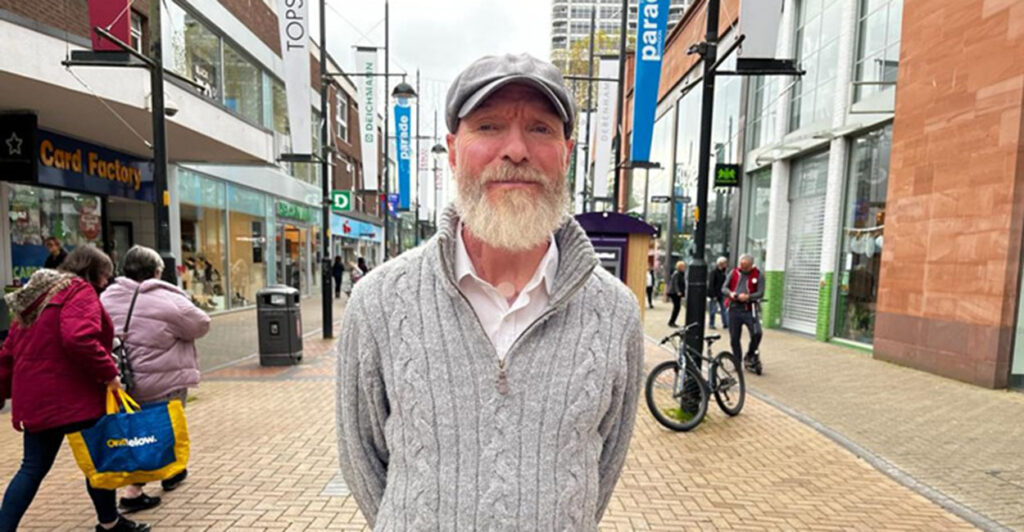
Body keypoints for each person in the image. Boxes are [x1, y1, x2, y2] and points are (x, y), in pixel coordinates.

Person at [336, 53, 643, 530]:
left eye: (540, 128)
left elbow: (603, 467)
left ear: (567, 150)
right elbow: (362, 459)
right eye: (489, 126)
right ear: (454, 149)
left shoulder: (615, 312)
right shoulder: (379, 300)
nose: (516, 150)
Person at [0, 246, 151, 532]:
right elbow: (78, 338)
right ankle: (109, 524)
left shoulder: (35, 299)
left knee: (31, 468)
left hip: (37, 399)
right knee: (99, 461)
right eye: (105, 275)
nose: (106, 282)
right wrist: (109, 374)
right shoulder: (78, 292)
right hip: (75, 395)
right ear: (92, 271)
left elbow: (8, 351)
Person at [100, 245, 210, 513]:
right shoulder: (167, 299)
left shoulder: (106, 297)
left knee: (133, 430)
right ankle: (134, 491)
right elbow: (201, 324)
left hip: (120, 379)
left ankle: (167, 472)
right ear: (158, 272)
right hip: (161, 380)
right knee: (157, 430)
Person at [724, 254, 765, 374]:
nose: (742, 268)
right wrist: (731, 294)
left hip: (749, 308)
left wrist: (748, 297)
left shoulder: (758, 275)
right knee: (734, 338)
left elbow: (760, 292)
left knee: (757, 333)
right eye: (741, 265)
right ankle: (737, 361)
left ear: (751, 265)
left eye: (746, 266)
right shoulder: (734, 273)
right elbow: (724, 288)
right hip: (734, 309)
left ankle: (750, 354)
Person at [708, 256, 729, 330]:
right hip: (715, 294)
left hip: (721, 294)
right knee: (713, 310)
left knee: (724, 309)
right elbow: (711, 284)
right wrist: (713, 294)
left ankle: (726, 323)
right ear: (721, 263)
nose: (726, 264)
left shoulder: (723, 273)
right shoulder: (714, 272)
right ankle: (711, 324)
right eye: (725, 263)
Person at [667, 260, 687, 327]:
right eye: (683, 266)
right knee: (677, 307)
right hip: (674, 293)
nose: (684, 268)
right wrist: (678, 291)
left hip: (676, 293)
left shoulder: (681, 274)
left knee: (677, 307)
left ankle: (672, 321)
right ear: (680, 267)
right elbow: (675, 283)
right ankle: (671, 322)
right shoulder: (677, 274)